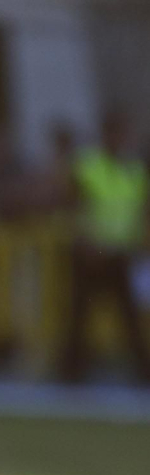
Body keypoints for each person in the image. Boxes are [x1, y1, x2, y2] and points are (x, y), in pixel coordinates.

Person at [58, 111, 150, 385]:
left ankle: (142, 372)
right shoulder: (89, 166)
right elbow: (74, 207)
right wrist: (84, 241)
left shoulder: (134, 170)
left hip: (119, 253)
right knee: (79, 315)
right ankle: (72, 372)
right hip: (90, 253)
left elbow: (140, 210)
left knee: (128, 317)